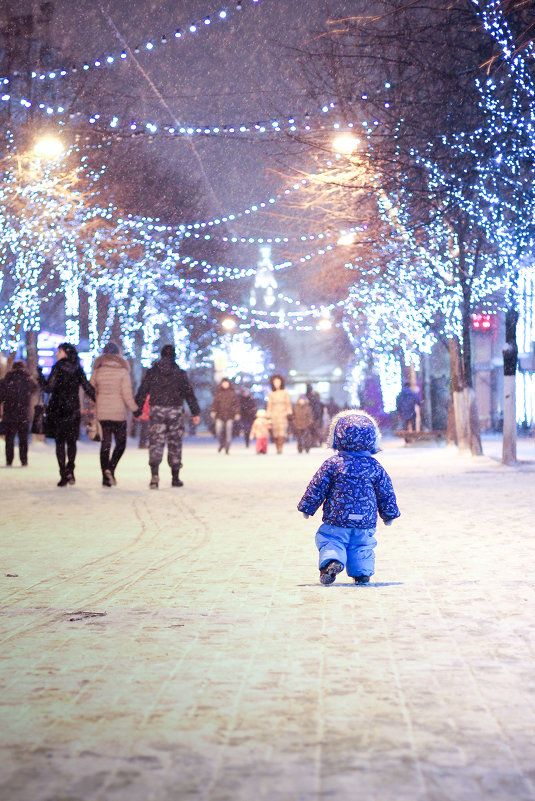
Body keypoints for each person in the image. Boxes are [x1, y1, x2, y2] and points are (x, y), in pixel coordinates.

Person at [297, 410, 400, 586]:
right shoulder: (374, 466)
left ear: (337, 437)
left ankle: (332, 560)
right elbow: (385, 491)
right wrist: (389, 514)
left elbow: (318, 486)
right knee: (362, 546)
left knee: (331, 540)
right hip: (365, 520)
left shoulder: (333, 464)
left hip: (337, 518)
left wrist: (308, 506)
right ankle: (362, 573)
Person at [135, 344, 200, 489]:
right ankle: (175, 477)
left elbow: (143, 390)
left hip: (157, 409)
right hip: (175, 410)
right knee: (175, 442)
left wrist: (137, 409)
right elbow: (189, 394)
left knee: (155, 441)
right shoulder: (180, 373)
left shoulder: (152, 372)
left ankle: (154, 476)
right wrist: (195, 412)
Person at [38, 343, 96, 486]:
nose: (57, 354)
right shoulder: (77, 368)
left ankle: (63, 473)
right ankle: (71, 469)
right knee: (71, 442)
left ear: (65, 352)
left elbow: (48, 388)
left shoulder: (58, 367)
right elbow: (87, 386)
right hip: (73, 409)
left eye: (59, 351)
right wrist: (98, 398)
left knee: (60, 442)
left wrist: (40, 376)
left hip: (58, 409)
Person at [90, 341, 138, 487]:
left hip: (102, 413)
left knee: (105, 444)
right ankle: (111, 468)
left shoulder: (97, 370)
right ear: (118, 354)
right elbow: (126, 394)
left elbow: (90, 389)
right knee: (121, 444)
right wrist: (135, 409)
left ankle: (105, 476)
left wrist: (96, 401)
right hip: (118, 413)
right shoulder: (123, 372)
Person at [0, 360, 37, 467]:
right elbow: (35, 388)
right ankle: (24, 460)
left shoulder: (6, 380)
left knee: (9, 439)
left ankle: (9, 460)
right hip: (23, 414)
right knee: (23, 440)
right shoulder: (27, 380)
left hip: (9, 414)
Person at [210, 377, 241, 454]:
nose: (225, 384)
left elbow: (236, 404)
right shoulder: (218, 393)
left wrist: (237, 413)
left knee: (229, 432)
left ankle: (227, 447)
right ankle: (222, 443)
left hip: (230, 415)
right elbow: (215, 404)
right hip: (220, 415)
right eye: (223, 383)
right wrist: (213, 411)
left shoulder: (232, 393)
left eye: (226, 383)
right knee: (218, 431)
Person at [266, 374, 292, 454]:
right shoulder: (271, 393)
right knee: (275, 432)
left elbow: (288, 403)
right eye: (275, 382)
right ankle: (277, 446)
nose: (277, 384)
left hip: (283, 413)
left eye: (278, 382)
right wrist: (268, 415)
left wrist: (289, 412)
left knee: (282, 431)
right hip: (274, 414)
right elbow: (269, 405)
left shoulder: (285, 392)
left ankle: (280, 447)